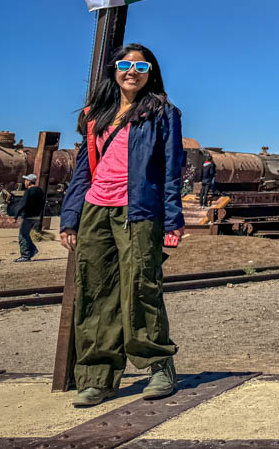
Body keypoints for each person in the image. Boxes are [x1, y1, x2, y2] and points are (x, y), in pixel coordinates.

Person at [60, 44, 185, 407]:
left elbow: (171, 170)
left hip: (140, 209)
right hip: (95, 212)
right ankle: (98, 378)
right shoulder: (94, 116)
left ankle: (159, 366)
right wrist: (70, 219)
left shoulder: (162, 113)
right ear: (114, 70)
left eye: (141, 65)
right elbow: (82, 172)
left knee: (141, 287)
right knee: (95, 292)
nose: (133, 71)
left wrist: (172, 219)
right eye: (125, 65)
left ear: (151, 72)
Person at [12, 174, 46, 262]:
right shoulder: (40, 191)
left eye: (26, 180)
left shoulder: (29, 191)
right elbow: (42, 204)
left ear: (29, 182)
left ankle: (25, 255)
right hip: (36, 217)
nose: (25, 182)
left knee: (22, 235)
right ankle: (33, 249)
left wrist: (15, 216)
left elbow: (23, 204)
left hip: (27, 216)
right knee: (26, 234)